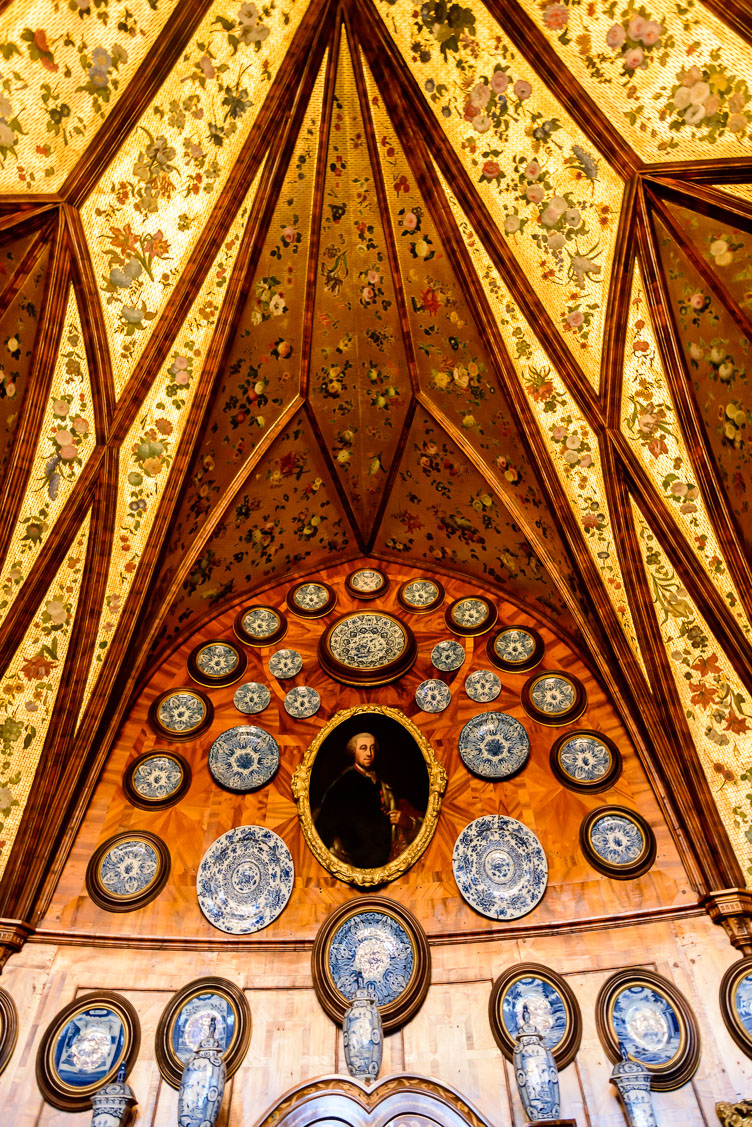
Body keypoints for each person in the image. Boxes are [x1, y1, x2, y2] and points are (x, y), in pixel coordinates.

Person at [314, 731, 423, 869]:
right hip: (356, 861)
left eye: (372, 748)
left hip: (386, 859)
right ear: (354, 751)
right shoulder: (342, 785)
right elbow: (323, 829)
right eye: (363, 748)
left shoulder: (383, 785)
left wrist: (406, 822)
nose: (369, 753)